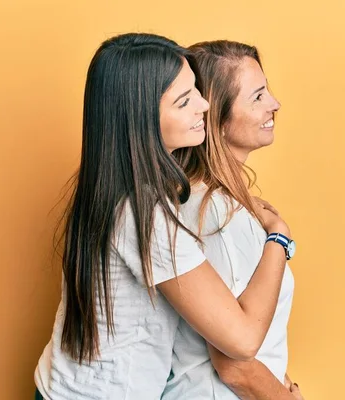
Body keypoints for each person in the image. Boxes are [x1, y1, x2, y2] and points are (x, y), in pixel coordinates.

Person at [34, 33, 291, 400]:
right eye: (185, 100)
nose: (205, 105)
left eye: (197, 91)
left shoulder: (117, 186)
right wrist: (278, 237)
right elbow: (242, 342)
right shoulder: (148, 218)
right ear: (141, 119)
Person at [166, 40, 304, 399]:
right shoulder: (209, 215)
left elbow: (261, 327)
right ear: (218, 120)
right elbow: (234, 364)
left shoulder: (227, 205)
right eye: (257, 97)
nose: (275, 104)